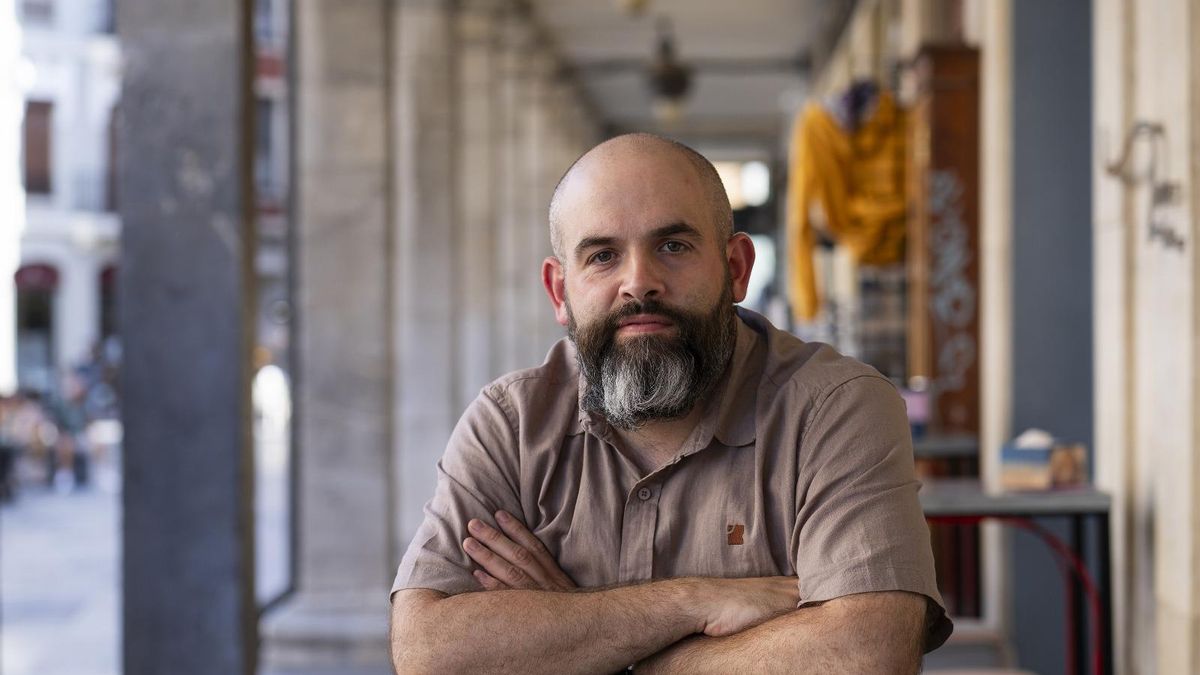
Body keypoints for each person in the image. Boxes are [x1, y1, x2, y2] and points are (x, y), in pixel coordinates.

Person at [389, 133, 952, 673]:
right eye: (603, 255)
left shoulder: (835, 407)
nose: (639, 282)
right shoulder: (510, 423)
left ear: (736, 269)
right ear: (560, 292)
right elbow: (429, 652)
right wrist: (689, 603)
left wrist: (588, 646)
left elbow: (867, 656)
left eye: (673, 246)